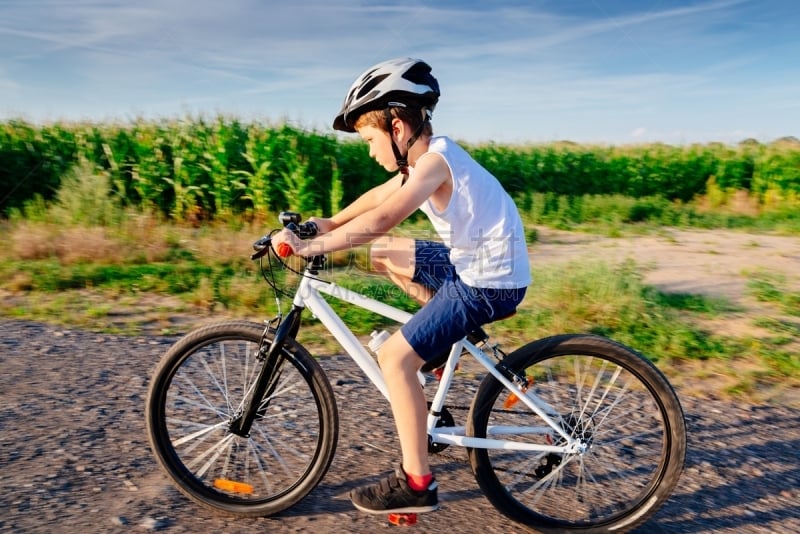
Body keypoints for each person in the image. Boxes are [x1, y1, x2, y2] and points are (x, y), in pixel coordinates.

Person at [272, 57, 531, 515]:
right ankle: (438, 342)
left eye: (370, 140)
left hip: (489, 282)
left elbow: (385, 216)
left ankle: (417, 483)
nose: (370, 151)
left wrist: (315, 249)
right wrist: (324, 224)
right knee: (385, 253)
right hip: (475, 265)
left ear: (396, 127)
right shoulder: (426, 162)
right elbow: (377, 199)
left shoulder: (435, 162)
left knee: (394, 358)